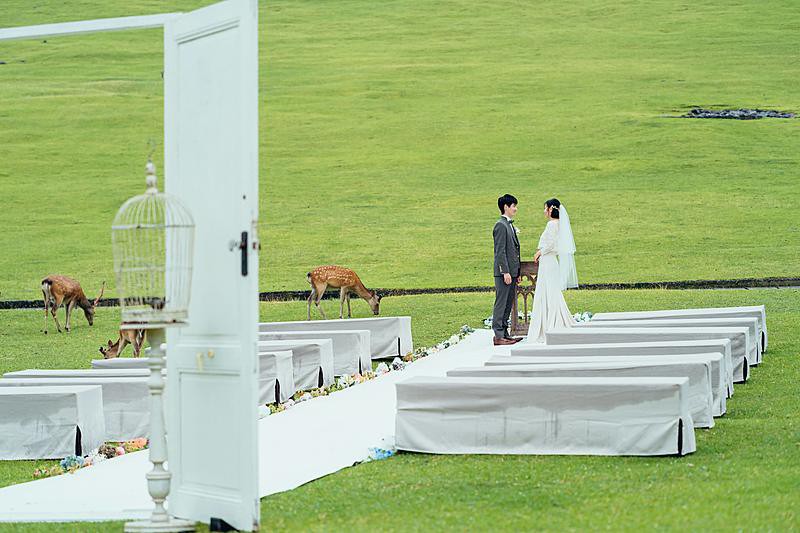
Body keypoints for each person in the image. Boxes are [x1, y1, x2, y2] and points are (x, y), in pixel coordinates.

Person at [522, 198, 578, 344]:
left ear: (551, 209)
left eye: (545, 208)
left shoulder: (552, 224)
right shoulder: (558, 224)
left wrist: (540, 252)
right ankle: (551, 321)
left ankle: (550, 324)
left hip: (548, 261)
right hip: (550, 261)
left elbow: (552, 243)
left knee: (548, 291)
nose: (544, 211)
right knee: (550, 291)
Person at [491, 194, 522, 345]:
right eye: (513, 206)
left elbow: (514, 250)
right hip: (504, 273)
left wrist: (517, 272)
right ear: (506, 207)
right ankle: (498, 336)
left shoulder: (508, 225)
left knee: (508, 303)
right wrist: (505, 272)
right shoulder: (500, 225)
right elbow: (500, 251)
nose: (515, 209)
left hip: (512, 272)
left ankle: (505, 333)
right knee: (501, 303)